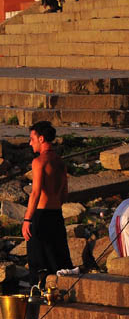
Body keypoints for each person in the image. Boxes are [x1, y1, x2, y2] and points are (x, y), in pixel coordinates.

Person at [23, 121, 76, 284]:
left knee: (37, 264)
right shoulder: (60, 162)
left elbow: (36, 193)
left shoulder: (39, 162)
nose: (30, 142)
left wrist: (27, 219)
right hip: (56, 215)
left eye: (32, 138)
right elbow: (64, 194)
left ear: (41, 138)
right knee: (59, 261)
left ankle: (38, 301)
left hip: (41, 216)